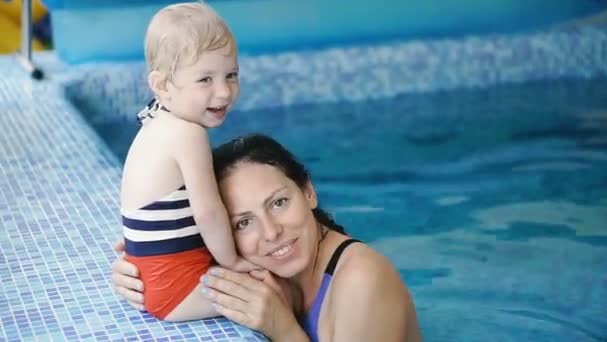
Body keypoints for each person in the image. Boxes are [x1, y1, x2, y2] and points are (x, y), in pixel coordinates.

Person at [113, 134, 422, 341]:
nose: (271, 232)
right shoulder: (263, 268)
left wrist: (283, 329)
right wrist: (145, 271)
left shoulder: (362, 280)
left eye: (278, 203)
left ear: (308, 192)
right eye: (243, 222)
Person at [119, 2, 257, 322]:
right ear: (163, 85)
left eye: (231, 74)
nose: (224, 92)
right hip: (177, 290)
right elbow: (207, 212)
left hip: (152, 279)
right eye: (205, 80)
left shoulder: (156, 120)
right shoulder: (187, 134)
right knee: (276, 283)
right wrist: (232, 262)